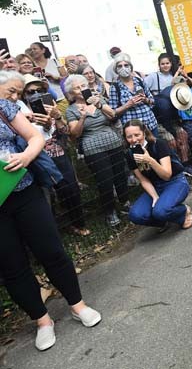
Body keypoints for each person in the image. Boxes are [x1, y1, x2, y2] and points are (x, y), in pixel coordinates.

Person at [0, 71, 101, 352]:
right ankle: (42, 321)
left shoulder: (4, 106)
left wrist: (25, 157)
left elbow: (35, 138)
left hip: (23, 189)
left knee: (51, 250)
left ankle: (77, 305)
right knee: (13, 267)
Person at [21, 75, 90, 236]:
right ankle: (52, 232)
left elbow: (65, 132)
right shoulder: (20, 112)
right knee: (46, 197)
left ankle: (77, 224)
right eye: (31, 92)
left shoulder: (51, 106)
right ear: (24, 94)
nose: (36, 94)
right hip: (37, 157)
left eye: (40, 90)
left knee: (70, 189)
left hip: (58, 153)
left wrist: (57, 117)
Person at [65, 74, 128, 228]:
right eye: (77, 88)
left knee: (120, 174)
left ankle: (125, 202)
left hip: (113, 141)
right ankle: (110, 211)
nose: (81, 89)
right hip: (93, 148)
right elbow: (75, 133)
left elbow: (113, 115)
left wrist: (99, 104)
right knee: (104, 180)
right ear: (71, 93)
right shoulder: (71, 110)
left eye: (83, 86)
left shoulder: (99, 100)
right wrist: (83, 117)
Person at [124, 119, 192, 231]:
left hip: (174, 181)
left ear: (144, 132)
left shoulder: (159, 144)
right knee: (135, 215)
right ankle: (163, 220)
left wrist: (150, 160)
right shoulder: (130, 153)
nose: (134, 140)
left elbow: (166, 175)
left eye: (137, 135)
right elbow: (143, 180)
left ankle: (183, 211)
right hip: (155, 186)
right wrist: (155, 197)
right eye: (129, 137)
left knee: (160, 211)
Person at [108, 53, 159, 139]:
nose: (123, 68)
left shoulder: (139, 81)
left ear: (131, 67)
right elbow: (113, 112)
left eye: (126, 65)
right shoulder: (115, 87)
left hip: (150, 123)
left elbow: (152, 101)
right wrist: (128, 105)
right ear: (116, 70)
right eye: (119, 66)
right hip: (133, 130)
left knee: (156, 149)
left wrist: (145, 99)